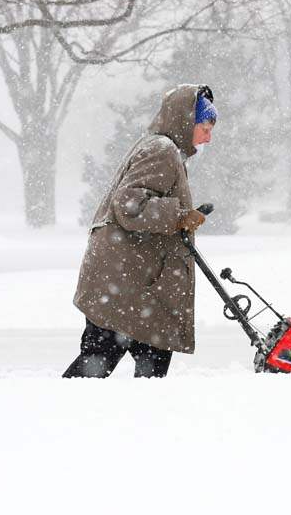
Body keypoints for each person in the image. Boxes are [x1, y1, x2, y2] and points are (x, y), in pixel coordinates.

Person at [63, 84, 218, 379]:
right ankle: (53, 412)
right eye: (205, 127)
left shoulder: (163, 149)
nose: (209, 137)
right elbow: (129, 205)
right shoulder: (162, 150)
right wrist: (179, 216)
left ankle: (133, 418)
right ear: (187, 122)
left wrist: (179, 217)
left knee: (119, 363)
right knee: (101, 363)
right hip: (127, 287)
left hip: (134, 285)